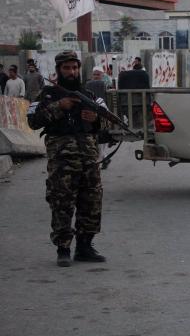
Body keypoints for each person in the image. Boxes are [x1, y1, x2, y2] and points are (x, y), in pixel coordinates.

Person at [27, 50, 106, 267]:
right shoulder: (47, 95)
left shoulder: (89, 96)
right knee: (61, 202)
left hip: (89, 161)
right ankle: (63, 248)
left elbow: (108, 125)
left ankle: (85, 247)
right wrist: (58, 107)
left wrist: (96, 119)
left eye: (75, 68)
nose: (71, 72)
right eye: (67, 68)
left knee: (91, 202)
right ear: (59, 70)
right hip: (62, 162)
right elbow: (33, 121)